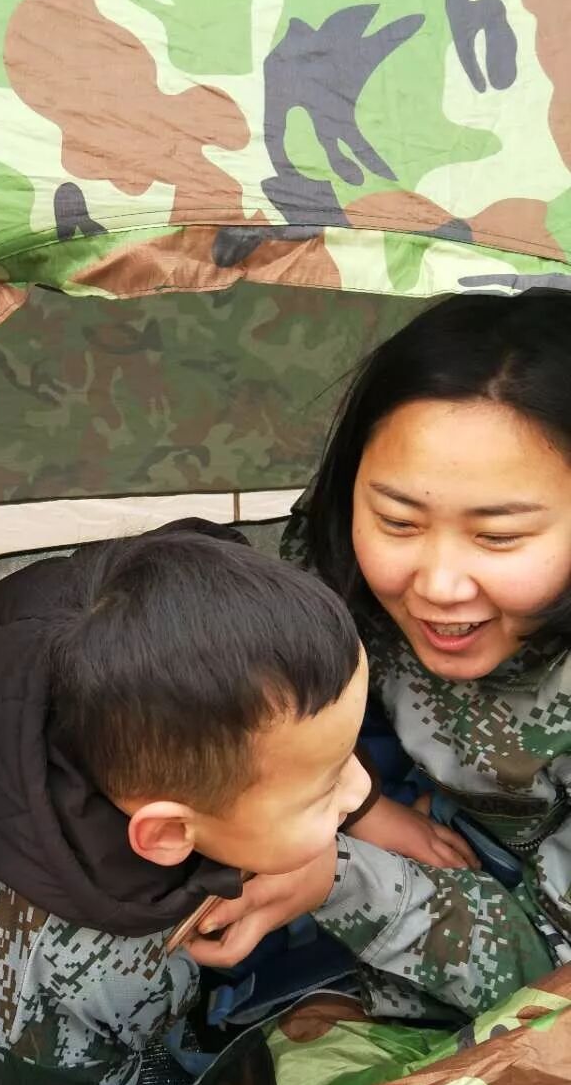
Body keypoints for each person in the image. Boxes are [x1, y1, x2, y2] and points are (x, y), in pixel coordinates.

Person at [0, 521, 374, 1085]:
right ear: (168, 835)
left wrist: (331, 830)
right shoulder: (37, 980)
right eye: (327, 786)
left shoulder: (147, 626)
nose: (358, 788)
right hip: (31, 1055)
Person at [217, 291, 571, 1022]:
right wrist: (358, 802)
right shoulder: (336, 559)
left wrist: (336, 879)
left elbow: (552, 997)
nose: (438, 586)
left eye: (499, 537)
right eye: (399, 521)